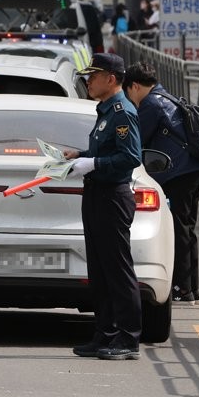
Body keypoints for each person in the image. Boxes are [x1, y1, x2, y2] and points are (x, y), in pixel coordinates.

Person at [63, 53, 143, 360]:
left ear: (111, 78)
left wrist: (93, 162)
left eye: (94, 76)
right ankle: (105, 333)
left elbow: (130, 156)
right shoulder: (105, 110)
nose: (89, 81)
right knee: (99, 270)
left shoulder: (122, 112)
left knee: (118, 270)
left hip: (112, 196)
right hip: (97, 194)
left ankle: (127, 336)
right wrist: (81, 156)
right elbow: (105, 149)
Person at [123, 62, 199, 305]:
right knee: (187, 228)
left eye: (129, 92)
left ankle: (183, 288)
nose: (131, 99)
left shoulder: (151, 103)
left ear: (135, 86)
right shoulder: (168, 97)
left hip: (179, 172)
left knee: (179, 229)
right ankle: (192, 288)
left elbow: (136, 140)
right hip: (195, 168)